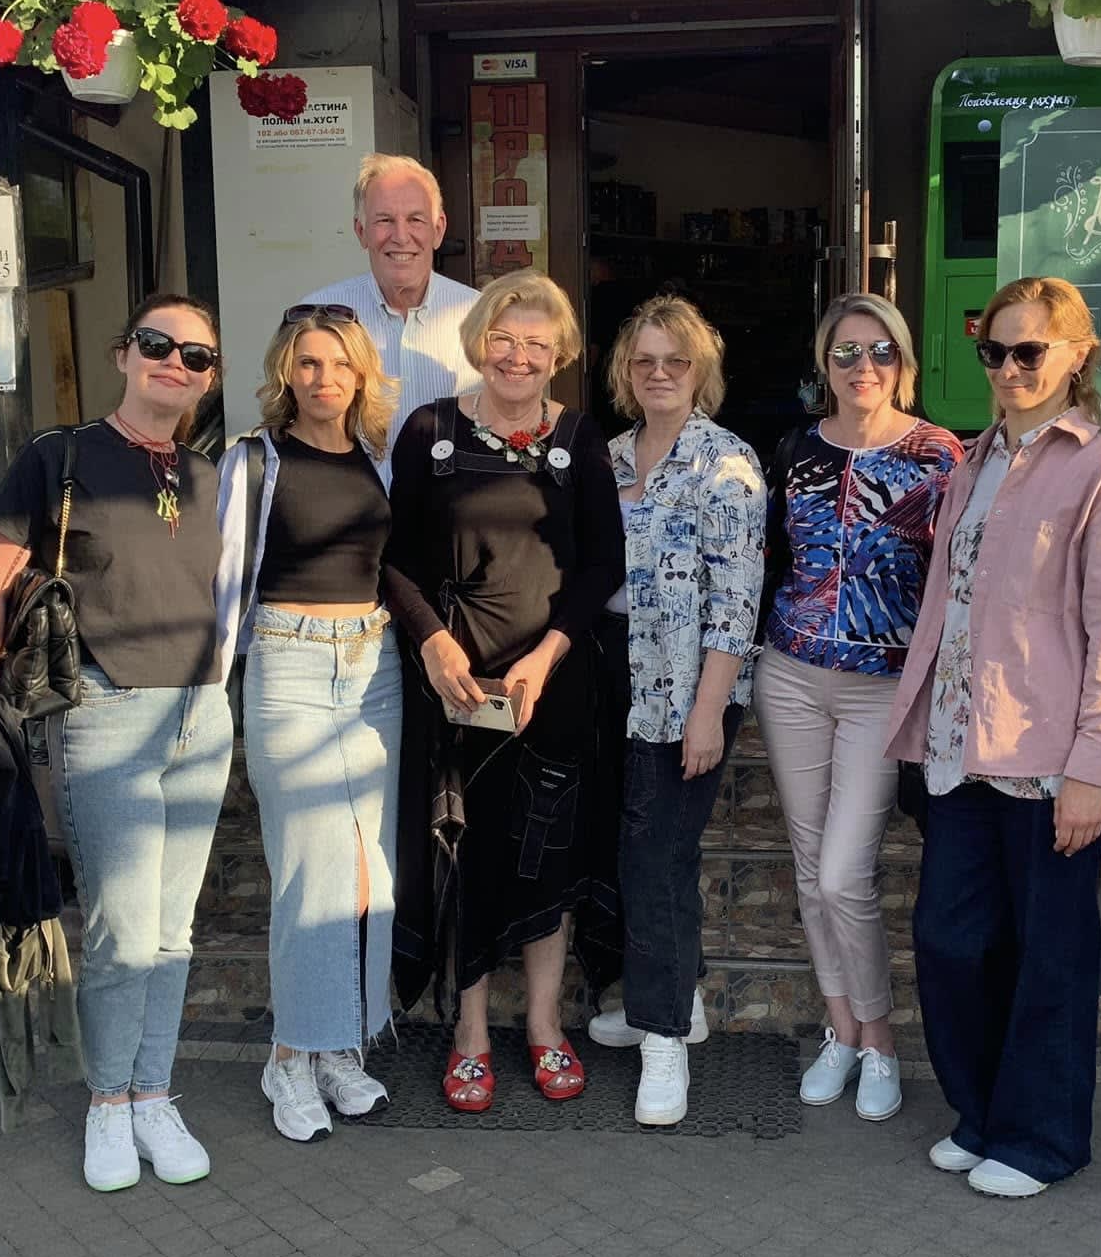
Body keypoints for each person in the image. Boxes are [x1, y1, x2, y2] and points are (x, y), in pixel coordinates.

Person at [886, 277, 1101, 1199]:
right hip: (961, 745)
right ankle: (984, 1114)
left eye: (1028, 351)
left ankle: (1043, 1139)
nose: (1008, 369)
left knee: (1050, 954)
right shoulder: (976, 461)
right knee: (953, 940)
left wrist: (1094, 768)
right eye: (993, 353)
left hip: (1050, 763)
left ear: (1078, 355)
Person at [0, 294, 232, 1194]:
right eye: (158, 345)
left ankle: (154, 1093)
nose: (176, 364)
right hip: (106, 711)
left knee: (173, 930)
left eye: (196, 357)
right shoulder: (60, 456)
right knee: (124, 930)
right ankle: (108, 1106)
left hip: (202, 712)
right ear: (125, 354)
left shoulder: (206, 477)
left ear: (210, 379)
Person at [382, 268, 624, 1111]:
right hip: (458, 680)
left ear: (560, 354)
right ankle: (472, 1033)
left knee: (548, 851)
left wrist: (548, 653)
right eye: (504, 338)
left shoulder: (581, 438)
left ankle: (548, 1027)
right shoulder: (431, 430)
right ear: (480, 340)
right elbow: (396, 560)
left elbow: (603, 567)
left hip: (550, 680)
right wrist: (436, 642)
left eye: (537, 342)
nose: (518, 356)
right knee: (468, 852)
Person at [756, 294, 961, 1121]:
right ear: (824, 364)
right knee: (811, 874)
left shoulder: (939, 454)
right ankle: (841, 1033)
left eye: (879, 352)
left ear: (902, 361)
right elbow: (772, 556)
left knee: (846, 874)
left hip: (884, 685)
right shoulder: (796, 448)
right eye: (846, 353)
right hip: (792, 674)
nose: (862, 368)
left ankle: (880, 1041)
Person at [214, 306, 404, 1142]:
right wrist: (206, 694)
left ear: (362, 374)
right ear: (287, 372)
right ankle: (289, 1056)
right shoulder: (253, 460)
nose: (324, 379)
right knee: (309, 871)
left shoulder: (376, 460)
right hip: (289, 664)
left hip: (375, 668)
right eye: (308, 364)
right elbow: (223, 587)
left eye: (339, 365)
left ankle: (339, 1046)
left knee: (368, 874)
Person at [581, 295, 766, 1126]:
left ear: (701, 373)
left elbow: (736, 599)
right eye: (644, 360)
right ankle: (675, 1001)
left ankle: (662, 1040)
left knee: (654, 858)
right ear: (625, 371)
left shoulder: (726, 463)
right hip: (610, 673)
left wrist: (707, 710)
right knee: (647, 850)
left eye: (675, 361)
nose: (659, 373)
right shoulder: (609, 456)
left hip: (687, 687)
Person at [300, 154, 482, 463]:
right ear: (361, 231)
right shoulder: (315, 318)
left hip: (448, 506)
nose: (400, 236)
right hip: (351, 503)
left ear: (438, 230)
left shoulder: (480, 317)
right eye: (384, 220)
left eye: (415, 220)